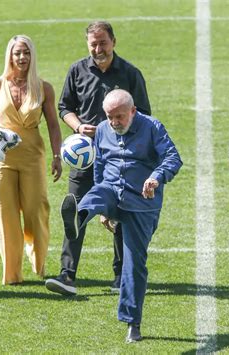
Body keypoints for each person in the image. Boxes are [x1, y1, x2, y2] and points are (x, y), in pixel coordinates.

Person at [60, 89, 182, 342]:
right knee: (95, 195)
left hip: (141, 203)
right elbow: (101, 166)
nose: (114, 123)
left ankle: (132, 323)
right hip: (112, 191)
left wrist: (156, 178)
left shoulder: (152, 127)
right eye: (110, 116)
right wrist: (104, 213)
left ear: (133, 111)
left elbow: (173, 157)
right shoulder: (103, 129)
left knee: (133, 265)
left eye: (119, 117)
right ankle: (79, 218)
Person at [45, 21, 151, 295]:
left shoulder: (130, 74)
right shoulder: (77, 71)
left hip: (119, 157)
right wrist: (78, 126)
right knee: (76, 210)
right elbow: (65, 107)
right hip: (84, 157)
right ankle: (67, 275)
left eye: (103, 42)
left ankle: (120, 276)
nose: (98, 48)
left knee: (121, 212)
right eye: (93, 43)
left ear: (114, 42)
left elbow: (145, 115)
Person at [0, 35, 63, 285]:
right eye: (17, 53)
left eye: (26, 52)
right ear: (10, 55)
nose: (22, 57)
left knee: (37, 211)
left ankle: (38, 263)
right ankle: (13, 275)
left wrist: (57, 156)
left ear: (32, 55)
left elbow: (53, 125)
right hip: (1, 156)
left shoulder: (43, 87)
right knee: (5, 214)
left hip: (32, 155)